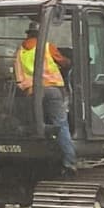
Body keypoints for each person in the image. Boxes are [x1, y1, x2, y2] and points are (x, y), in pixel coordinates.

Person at [15, 22, 76, 174]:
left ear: (28, 34)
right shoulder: (47, 46)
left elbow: (17, 75)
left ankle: (39, 157)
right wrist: (69, 62)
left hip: (32, 92)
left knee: (35, 124)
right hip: (52, 89)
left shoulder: (20, 51)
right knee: (61, 124)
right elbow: (63, 62)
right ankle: (69, 161)